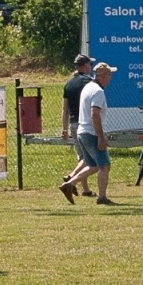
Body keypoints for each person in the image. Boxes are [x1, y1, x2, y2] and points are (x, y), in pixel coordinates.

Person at [61, 63, 116, 205]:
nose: (110, 79)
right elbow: (94, 114)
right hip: (91, 133)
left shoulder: (87, 88)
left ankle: (70, 184)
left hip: (82, 131)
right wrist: (101, 137)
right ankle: (102, 197)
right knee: (104, 166)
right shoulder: (98, 91)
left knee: (92, 165)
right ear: (103, 77)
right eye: (109, 75)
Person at [62, 55, 96, 197]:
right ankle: (71, 177)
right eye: (90, 64)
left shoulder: (68, 84)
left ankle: (86, 189)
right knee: (91, 159)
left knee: (81, 156)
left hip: (73, 123)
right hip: (86, 123)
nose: (91, 67)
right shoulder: (89, 82)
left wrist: (64, 128)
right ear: (85, 65)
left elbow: (65, 109)